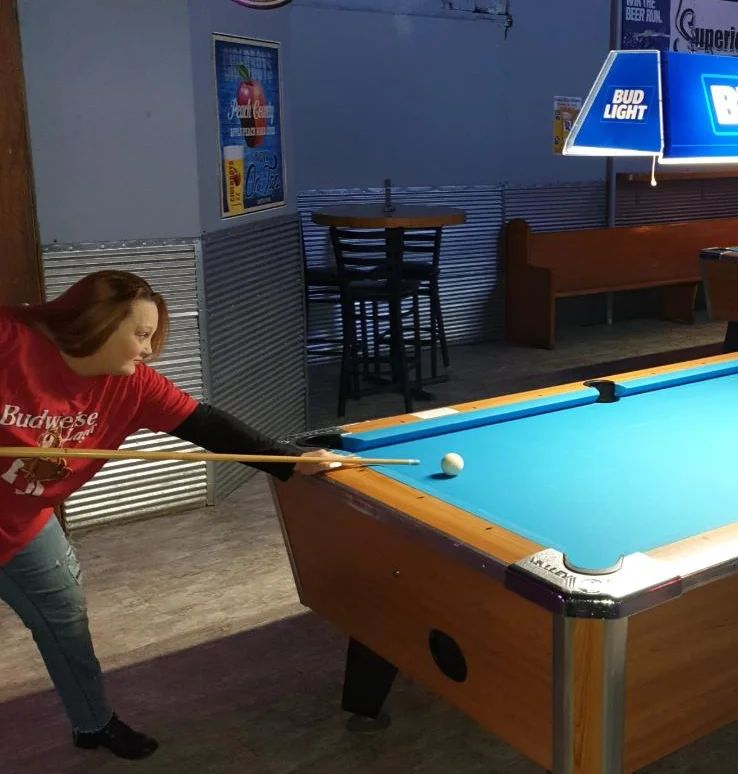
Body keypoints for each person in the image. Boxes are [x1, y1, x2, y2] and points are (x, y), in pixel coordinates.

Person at [0, 270, 336, 760]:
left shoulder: (134, 388)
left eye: (152, 337)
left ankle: (93, 723)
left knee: (65, 619)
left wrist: (287, 460)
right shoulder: (12, 340)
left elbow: (206, 425)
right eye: (139, 334)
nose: (148, 350)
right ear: (98, 323)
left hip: (25, 523)